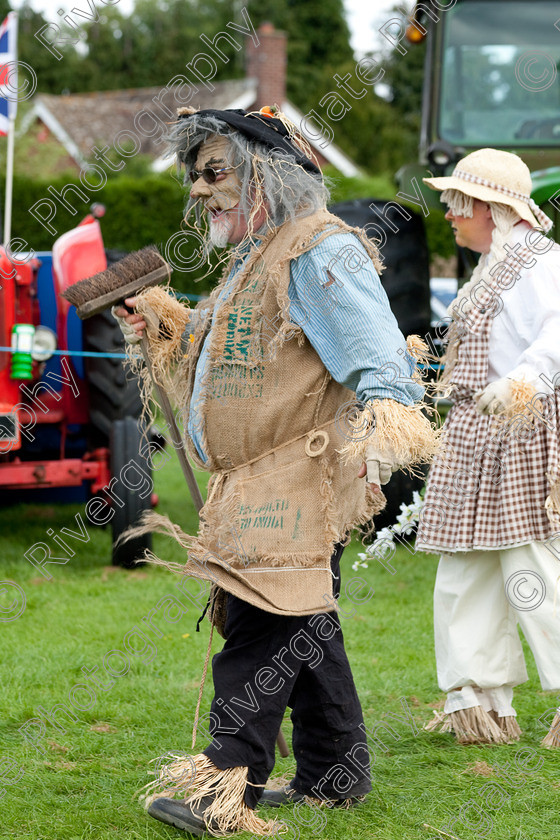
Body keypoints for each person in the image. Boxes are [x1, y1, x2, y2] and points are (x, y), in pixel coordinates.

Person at [113, 106, 438, 837]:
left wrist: (384, 431)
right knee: (304, 619)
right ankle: (335, 771)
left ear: (267, 171)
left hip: (299, 475)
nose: (199, 189)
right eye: (194, 176)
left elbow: (381, 353)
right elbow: (231, 347)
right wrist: (164, 325)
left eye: (214, 171)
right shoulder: (258, 254)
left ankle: (225, 787)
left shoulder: (320, 248)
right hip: (257, 478)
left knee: (259, 624)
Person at [416, 148, 560, 748]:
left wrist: (527, 379)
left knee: (533, 572)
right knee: (464, 570)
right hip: (474, 433)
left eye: (457, 204)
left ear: (491, 208)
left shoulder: (540, 262)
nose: (450, 215)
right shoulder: (493, 265)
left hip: (520, 430)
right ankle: (478, 703)